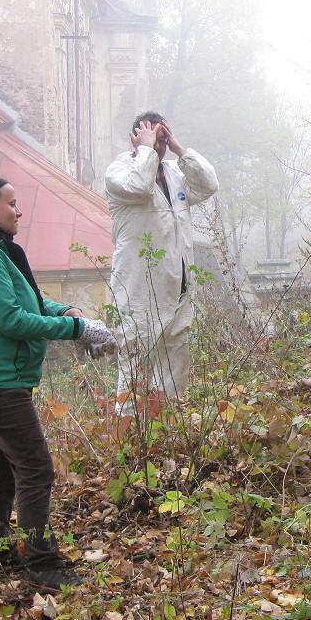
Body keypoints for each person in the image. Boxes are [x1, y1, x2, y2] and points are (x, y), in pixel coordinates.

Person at [0, 175, 117, 592]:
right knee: (35, 467)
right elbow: (11, 320)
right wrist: (75, 329)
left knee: (1, 468)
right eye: (11, 203)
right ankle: (43, 564)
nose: (19, 211)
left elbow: (28, 301)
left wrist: (69, 311)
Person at [104, 112, 219, 415]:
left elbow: (209, 185)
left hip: (178, 286)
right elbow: (139, 187)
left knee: (174, 357)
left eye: (163, 137)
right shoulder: (120, 172)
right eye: (155, 138)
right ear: (136, 139)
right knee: (136, 357)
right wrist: (145, 149)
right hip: (139, 289)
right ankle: (130, 432)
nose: (160, 145)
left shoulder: (174, 174)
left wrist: (181, 150)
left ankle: (167, 425)